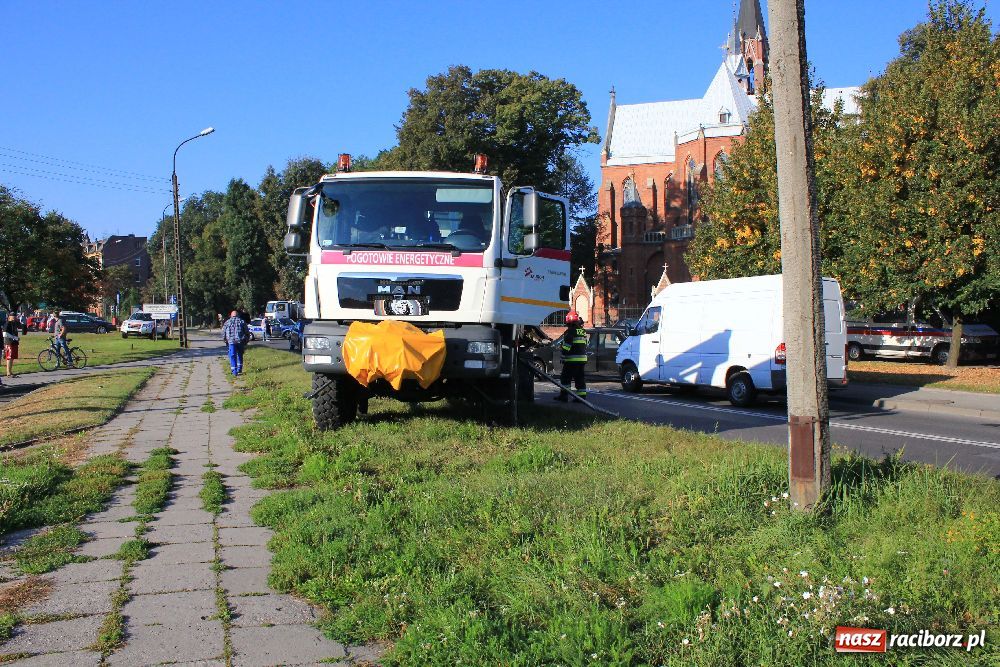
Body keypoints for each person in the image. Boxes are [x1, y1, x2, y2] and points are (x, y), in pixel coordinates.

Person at [555, 311, 588, 402]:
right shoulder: (582, 331)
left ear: (569, 321)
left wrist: (562, 355)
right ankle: (581, 397)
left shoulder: (570, 331)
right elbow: (585, 344)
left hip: (572, 359)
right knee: (579, 378)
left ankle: (564, 396)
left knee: (565, 377)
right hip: (582, 359)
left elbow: (567, 347)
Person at [222, 310, 250, 376]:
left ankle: (234, 371)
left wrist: (225, 340)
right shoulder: (242, 321)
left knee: (232, 355)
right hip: (240, 341)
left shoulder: (227, 322)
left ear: (231, 315)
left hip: (231, 341)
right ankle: (239, 369)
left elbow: (223, 332)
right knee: (240, 354)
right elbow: (247, 332)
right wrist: (246, 340)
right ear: (238, 315)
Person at [3, 312, 20, 379]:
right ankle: (8, 372)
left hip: (14, 343)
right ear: (9, 317)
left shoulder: (14, 324)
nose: (14, 317)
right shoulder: (7, 323)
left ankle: (10, 371)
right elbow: (5, 334)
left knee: (12, 357)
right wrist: (15, 338)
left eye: (15, 316)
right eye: (13, 316)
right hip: (9, 343)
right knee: (9, 357)